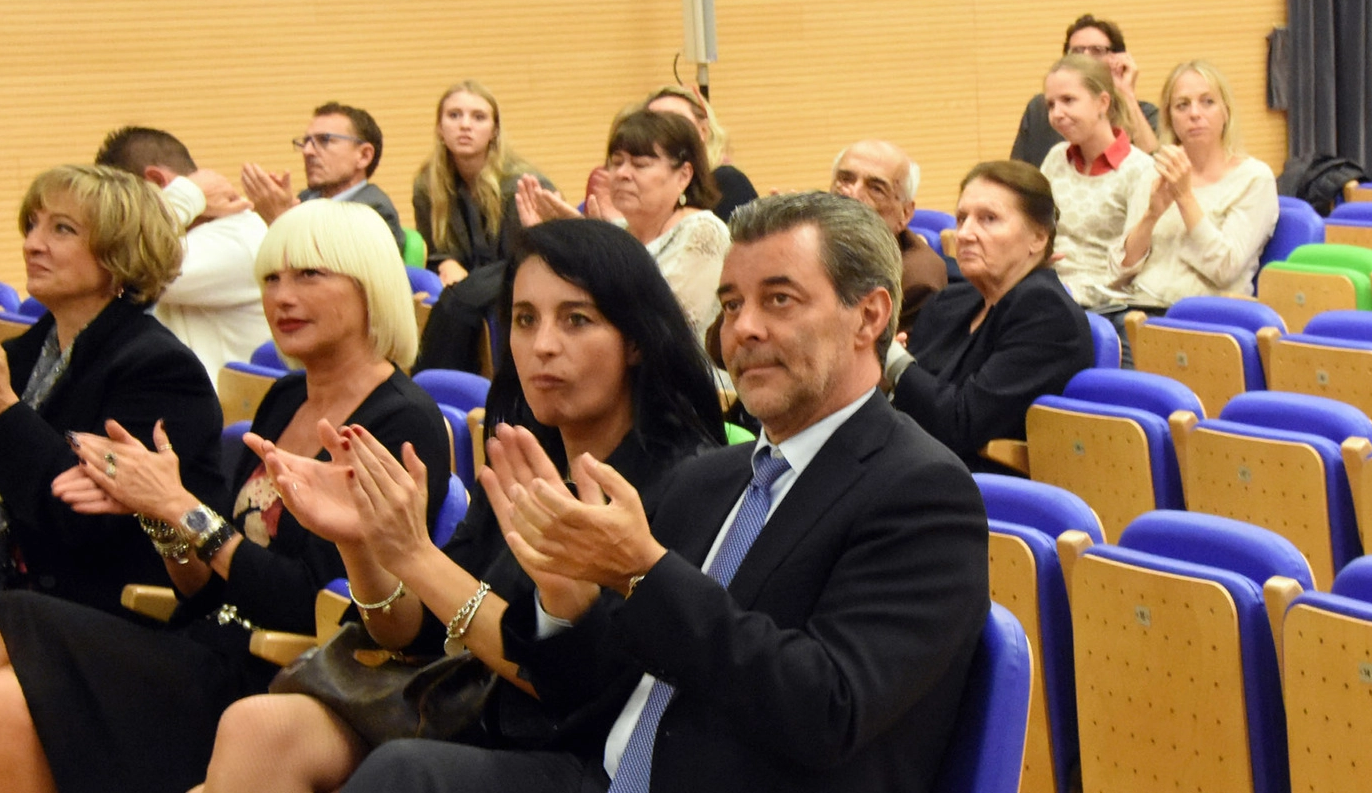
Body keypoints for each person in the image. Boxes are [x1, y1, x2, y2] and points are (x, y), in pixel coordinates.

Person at [339, 192, 991, 793]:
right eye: (732, 304)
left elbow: (827, 711)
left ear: (869, 315)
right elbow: (581, 693)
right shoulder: (712, 481)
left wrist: (644, 571)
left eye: (780, 300)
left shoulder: (920, 491)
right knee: (406, 774)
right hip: (609, 775)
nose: (744, 330)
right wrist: (561, 602)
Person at [198, 218, 726, 793]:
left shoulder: (686, 479)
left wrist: (417, 557)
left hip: (583, 748)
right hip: (468, 709)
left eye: (577, 320)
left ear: (636, 339)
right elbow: (410, 634)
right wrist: (363, 545)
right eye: (525, 320)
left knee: (402, 771)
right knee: (259, 726)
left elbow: (576, 684)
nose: (543, 345)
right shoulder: (523, 454)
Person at [0, 199, 451, 793]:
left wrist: (182, 507)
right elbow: (204, 586)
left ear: (370, 288)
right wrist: (155, 512)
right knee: (4, 700)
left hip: (285, 676)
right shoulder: (286, 398)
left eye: (309, 275)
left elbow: (315, 605)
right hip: (207, 644)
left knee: (5, 619)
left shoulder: (400, 421)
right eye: (272, 279)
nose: (282, 297)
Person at [0, 164, 225, 616]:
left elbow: (79, 526)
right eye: (33, 225)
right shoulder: (20, 356)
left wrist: (0, 409)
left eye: (62, 229)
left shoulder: (159, 370)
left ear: (118, 254)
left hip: (101, 613)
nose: (32, 243)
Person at [888, 161, 1093, 473]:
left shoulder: (1046, 313)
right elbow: (913, 398)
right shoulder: (949, 302)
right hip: (914, 464)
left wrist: (890, 359)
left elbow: (962, 424)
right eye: (962, 218)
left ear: (1038, 237)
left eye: (989, 219)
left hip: (975, 488)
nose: (965, 233)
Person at [518, 110, 729, 343]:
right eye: (616, 162)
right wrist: (555, 248)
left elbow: (663, 326)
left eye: (640, 164)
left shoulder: (703, 232)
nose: (622, 174)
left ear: (683, 175)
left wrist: (596, 253)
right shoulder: (615, 231)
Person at [95, 126, 272, 386]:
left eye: (126, 210)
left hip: (227, 420)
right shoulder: (183, 238)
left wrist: (184, 197)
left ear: (157, 182)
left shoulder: (239, 236)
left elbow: (123, 264)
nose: (121, 223)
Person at [1113, 61, 1279, 306]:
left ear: (1226, 112)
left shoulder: (1254, 178)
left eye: (1207, 102)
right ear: (1170, 118)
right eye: (1182, 105)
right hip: (1140, 307)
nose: (1194, 114)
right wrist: (1151, 215)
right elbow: (1121, 269)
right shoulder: (1154, 172)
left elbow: (1224, 269)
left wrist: (1185, 198)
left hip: (1206, 317)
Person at [1039, 54, 1151, 363]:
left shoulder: (1139, 169)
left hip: (1108, 303)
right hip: (1052, 291)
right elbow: (1037, 230)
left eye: (1068, 101)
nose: (1057, 113)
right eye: (1051, 105)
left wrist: (1071, 291)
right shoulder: (1055, 158)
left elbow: (1130, 266)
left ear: (1103, 102)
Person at [414, 81, 552, 288]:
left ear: (495, 131)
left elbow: (530, 260)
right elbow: (433, 254)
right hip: (459, 289)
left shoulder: (523, 185)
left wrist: (472, 284)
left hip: (518, 285)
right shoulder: (427, 184)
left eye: (478, 117)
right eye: (454, 115)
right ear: (440, 128)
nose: (465, 125)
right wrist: (446, 262)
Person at [830, 139, 962, 332]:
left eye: (876, 188)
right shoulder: (814, 242)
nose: (853, 194)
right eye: (846, 179)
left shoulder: (915, 283)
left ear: (905, 214)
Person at [241, 102, 407, 253]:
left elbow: (339, 275)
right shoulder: (305, 199)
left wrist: (281, 220)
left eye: (324, 140)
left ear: (364, 156)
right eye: (306, 141)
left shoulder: (374, 211)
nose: (307, 151)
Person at [1011, 13, 1160, 167]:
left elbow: (1155, 168)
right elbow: (1018, 175)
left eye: (1097, 50)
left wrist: (1126, 94)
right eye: (1077, 51)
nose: (1086, 58)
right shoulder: (1041, 109)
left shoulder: (1145, 112)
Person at [642, 85, 757, 221]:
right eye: (653, 125)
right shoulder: (645, 192)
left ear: (703, 130)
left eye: (676, 121)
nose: (665, 131)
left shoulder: (726, 182)